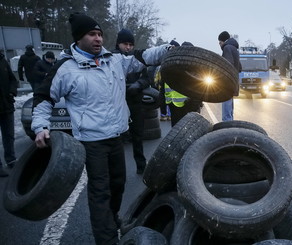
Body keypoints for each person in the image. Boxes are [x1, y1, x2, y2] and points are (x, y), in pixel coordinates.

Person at [31, 13, 170, 245]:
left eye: (99, 34)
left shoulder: (114, 60)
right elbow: (44, 97)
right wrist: (40, 127)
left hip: (116, 137)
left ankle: (112, 219)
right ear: (78, 38)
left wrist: (170, 48)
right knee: (100, 192)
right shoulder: (65, 68)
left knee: (118, 185)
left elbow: (144, 56)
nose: (97, 39)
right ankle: (105, 239)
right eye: (91, 34)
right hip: (91, 141)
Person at [112, 28, 148, 174]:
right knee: (117, 139)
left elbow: (147, 78)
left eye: (130, 44)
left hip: (135, 102)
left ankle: (141, 166)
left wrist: (138, 85)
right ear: (118, 44)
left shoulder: (137, 59)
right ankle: (118, 170)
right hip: (116, 105)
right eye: (125, 44)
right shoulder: (110, 59)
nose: (128, 47)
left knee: (137, 136)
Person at [164, 41, 203, 126]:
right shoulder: (193, 67)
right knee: (182, 130)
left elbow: (200, 87)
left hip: (183, 104)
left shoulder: (194, 67)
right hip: (177, 105)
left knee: (180, 130)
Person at [0, 52, 18, 177]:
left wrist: (12, 92)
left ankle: (11, 159)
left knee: (9, 135)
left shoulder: (2, 60)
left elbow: (13, 79)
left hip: (6, 105)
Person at [218, 31, 242, 121]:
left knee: (226, 113)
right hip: (234, 82)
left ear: (224, 41)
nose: (220, 45)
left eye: (220, 42)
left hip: (227, 83)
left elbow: (228, 65)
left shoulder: (227, 48)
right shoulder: (234, 49)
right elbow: (239, 67)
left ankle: (227, 130)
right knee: (230, 110)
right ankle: (231, 127)